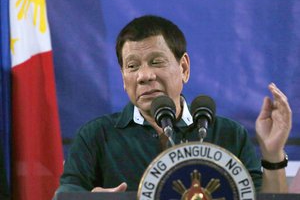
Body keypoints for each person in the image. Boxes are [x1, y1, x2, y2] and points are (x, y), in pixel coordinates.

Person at [54, 15, 292, 196]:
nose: (144, 75)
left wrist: (272, 152)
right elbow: (65, 195)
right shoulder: (97, 135)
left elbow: (263, 198)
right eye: (132, 66)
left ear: (184, 68)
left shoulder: (228, 134)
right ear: (123, 76)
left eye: (156, 62)